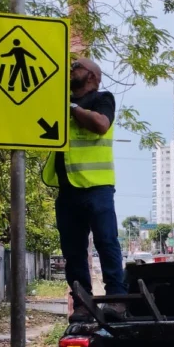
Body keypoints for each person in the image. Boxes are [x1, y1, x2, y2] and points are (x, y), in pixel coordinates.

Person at [42, 58, 126, 322]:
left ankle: (117, 301)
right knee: (73, 250)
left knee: (106, 241)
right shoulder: (61, 102)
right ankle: (82, 303)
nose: (71, 71)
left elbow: (101, 124)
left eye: (76, 67)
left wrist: (71, 108)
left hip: (97, 187)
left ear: (91, 76)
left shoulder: (103, 99)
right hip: (68, 190)